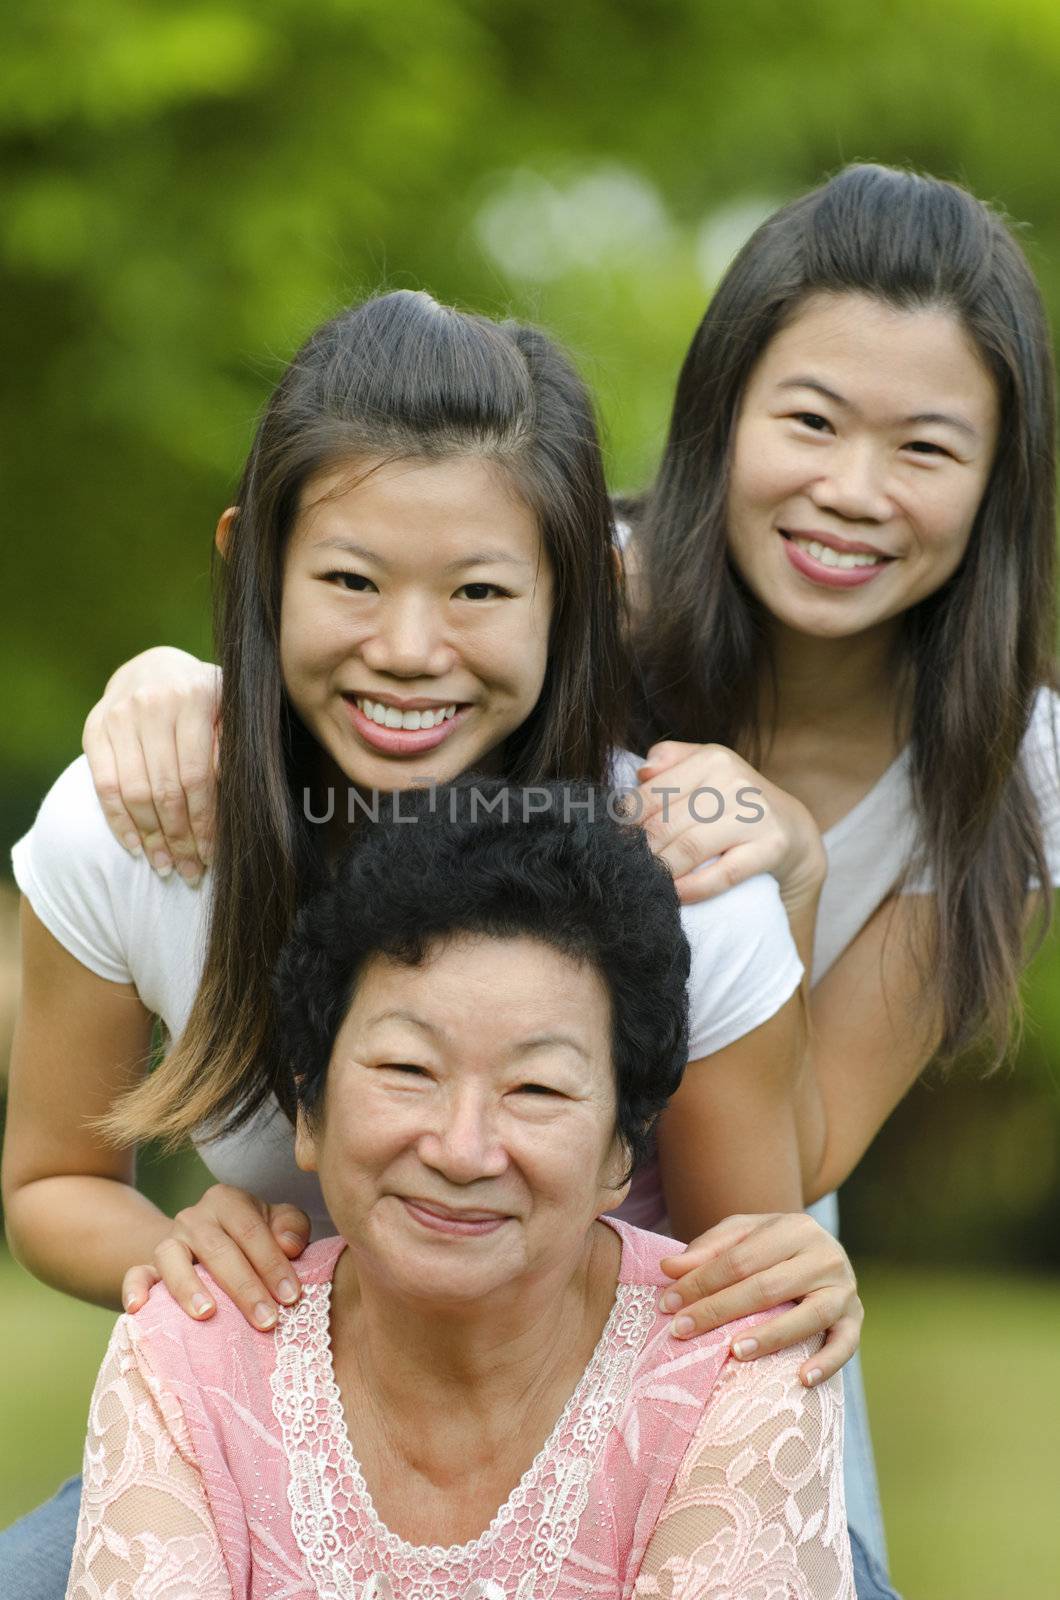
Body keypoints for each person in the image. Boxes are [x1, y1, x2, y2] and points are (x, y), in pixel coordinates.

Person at [78, 165, 1060, 1593]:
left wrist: (783, 884)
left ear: (999, 485)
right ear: (724, 418)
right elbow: (332, 644)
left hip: (704, 1271)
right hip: (396, 1243)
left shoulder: (1011, 764)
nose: (852, 491)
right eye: (810, 421)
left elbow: (794, 1165)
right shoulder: (565, 587)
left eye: (927, 447)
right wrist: (165, 682)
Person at [3, 292, 860, 1599]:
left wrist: (793, 1257)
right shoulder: (142, 829)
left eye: (476, 591)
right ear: (256, 566)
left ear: (568, 595)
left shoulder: (689, 878)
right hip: (264, 1438)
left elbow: (745, 1287)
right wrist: (173, 1259)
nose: (409, 653)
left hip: (611, 1447)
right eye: (349, 580)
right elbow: (49, 1184)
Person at [65, 779, 855, 1600]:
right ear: (310, 1109)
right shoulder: (188, 1352)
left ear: (622, 1151)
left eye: (538, 1089)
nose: (463, 1149)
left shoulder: (739, 1365)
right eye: (408, 1069)